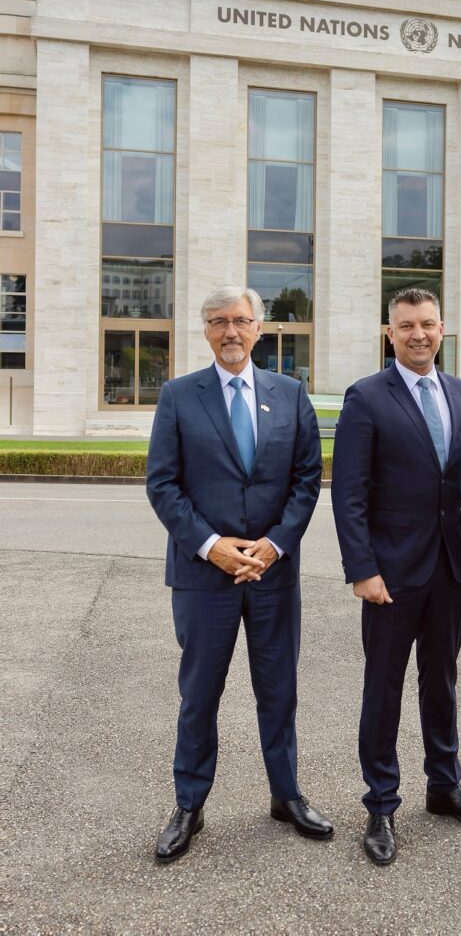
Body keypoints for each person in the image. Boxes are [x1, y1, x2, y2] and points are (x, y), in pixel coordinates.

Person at [147, 285, 333, 863]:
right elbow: (162, 484)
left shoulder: (290, 393)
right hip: (204, 578)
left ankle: (286, 795)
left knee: (278, 693)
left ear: (259, 327)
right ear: (205, 330)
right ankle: (189, 804)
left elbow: (307, 479)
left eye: (240, 321)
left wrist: (274, 545)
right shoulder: (179, 396)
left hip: (274, 576)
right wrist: (212, 547)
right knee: (199, 695)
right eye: (218, 321)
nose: (230, 331)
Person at [331, 287, 461, 866]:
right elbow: (349, 494)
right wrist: (362, 568)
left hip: (451, 567)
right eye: (406, 325)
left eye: (427, 324)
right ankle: (381, 803)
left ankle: (444, 786)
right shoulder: (366, 397)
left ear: (441, 329)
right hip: (390, 573)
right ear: (390, 333)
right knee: (383, 686)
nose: (418, 334)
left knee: (442, 680)